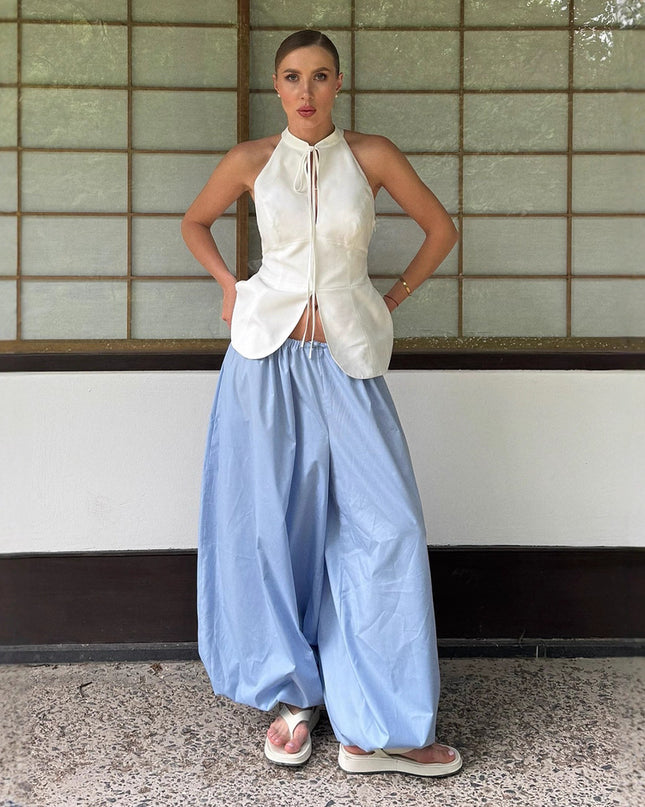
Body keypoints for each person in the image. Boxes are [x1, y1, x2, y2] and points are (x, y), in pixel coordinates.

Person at [181, 30, 461, 778]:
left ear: (339, 84)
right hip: (263, 364)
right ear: (277, 87)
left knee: (386, 525)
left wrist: (389, 297)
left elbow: (441, 230)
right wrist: (229, 287)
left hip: (347, 362)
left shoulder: (370, 156)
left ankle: (382, 727)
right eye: (292, 76)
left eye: (320, 76)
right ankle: (291, 697)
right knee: (270, 529)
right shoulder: (250, 161)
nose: (305, 90)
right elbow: (192, 222)